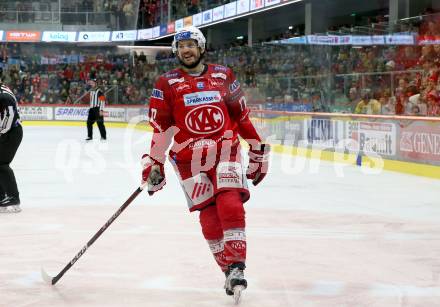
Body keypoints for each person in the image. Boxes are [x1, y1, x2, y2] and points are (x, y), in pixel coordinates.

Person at [141, 26, 270, 302]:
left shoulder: (224, 75)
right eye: (181, 46)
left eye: (191, 44)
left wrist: (257, 149)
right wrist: (154, 163)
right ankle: (228, 272)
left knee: (230, 200)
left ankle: (237, 265)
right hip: (189, 160)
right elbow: (161, 129)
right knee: (208, 216)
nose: (186, 50)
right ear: (177, 52)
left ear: (201, 48)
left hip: (225, 151)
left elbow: (241, 117)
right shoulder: (166, 83)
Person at [0, 83, 23, 213]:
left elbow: (10, 118)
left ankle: (14, 198)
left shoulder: (4, 96)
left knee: (2, 163)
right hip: (5, 132)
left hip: (11, 133)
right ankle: (2, 197)